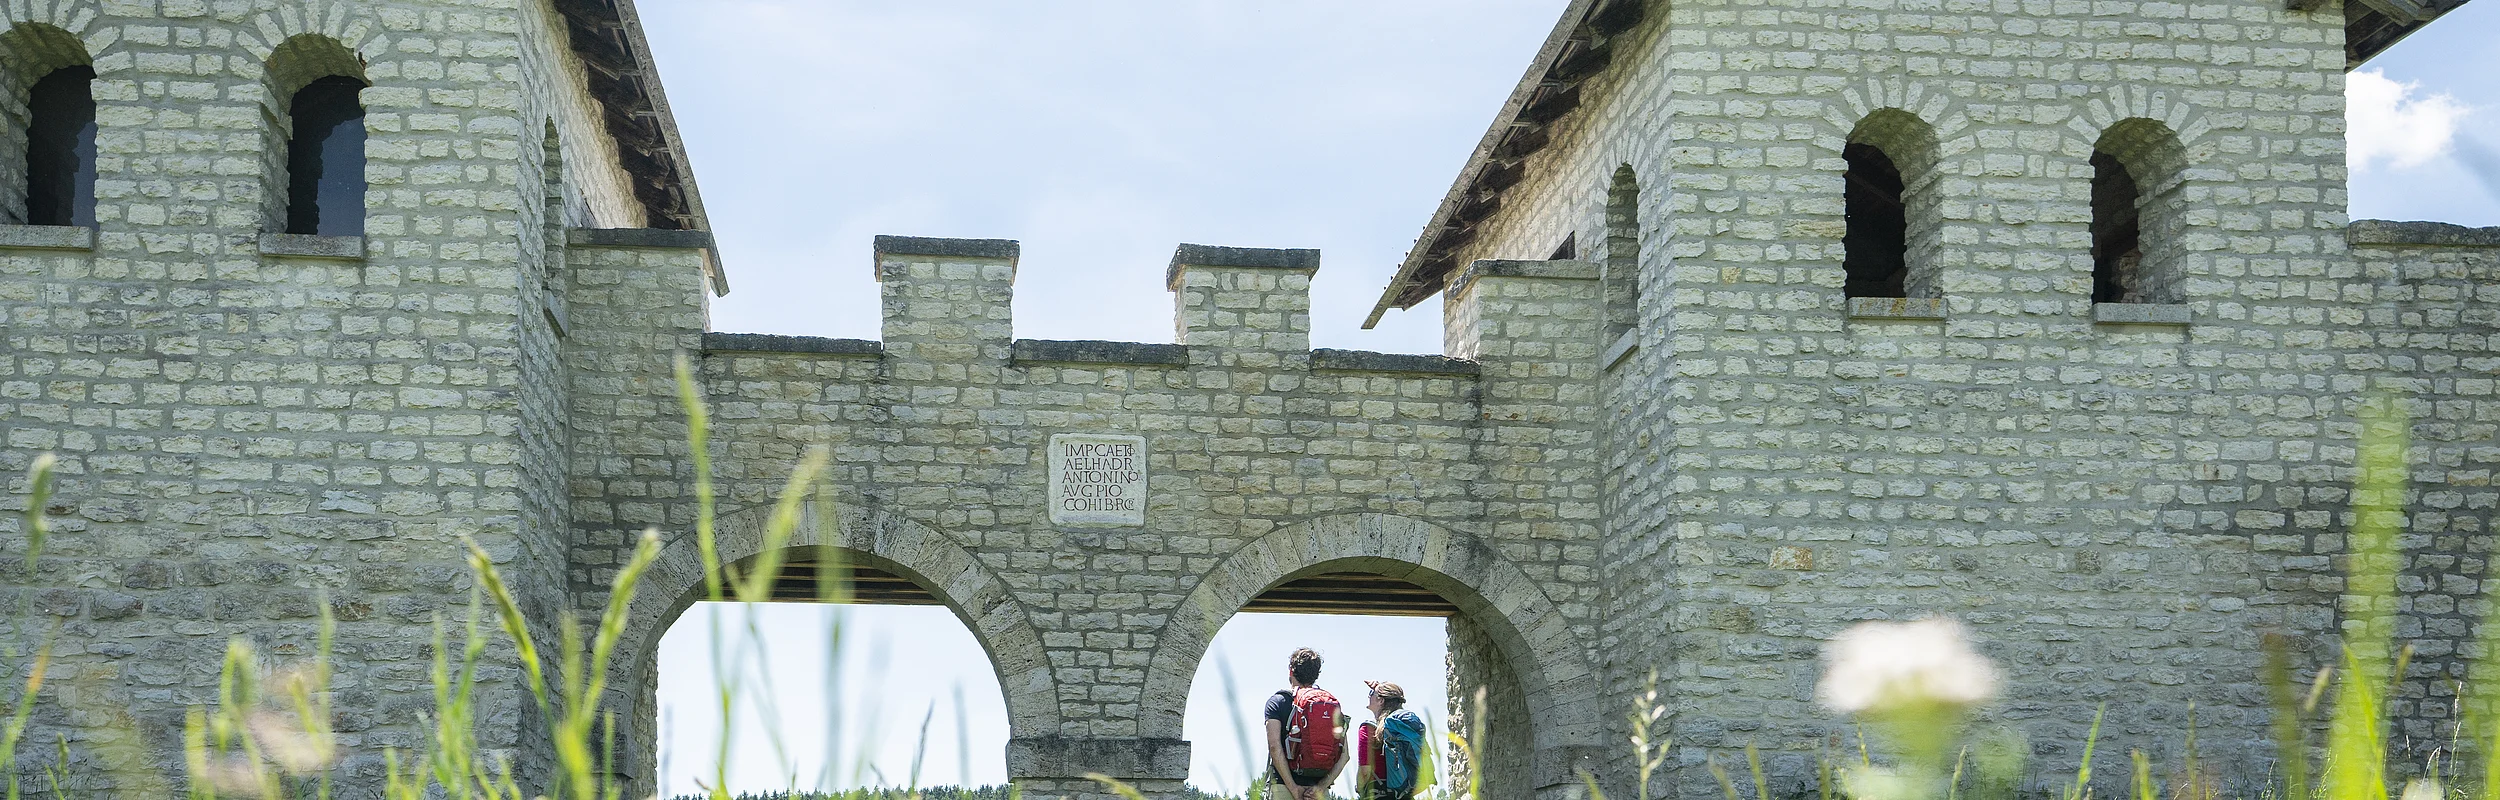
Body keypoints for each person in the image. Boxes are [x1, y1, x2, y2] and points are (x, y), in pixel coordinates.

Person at [1266, 647, 1349, 800]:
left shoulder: (1278, 702)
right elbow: (1344, 756)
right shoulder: (1328, 705)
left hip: (1284, 788)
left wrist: (1293, 788)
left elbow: (1274, 747)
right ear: (1316, 674)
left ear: (1291, 671)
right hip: (1317, 791)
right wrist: (1321, 787)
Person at [1362, 680, 1428, 800]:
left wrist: (1360, 789)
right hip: (1406, 792)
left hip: (1379, 793)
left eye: (1371, 693)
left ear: (1381, 701)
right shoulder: (1401, 726)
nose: (1368, 695)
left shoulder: (1368, 729)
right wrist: (1380, 688)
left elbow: (1365, 771)